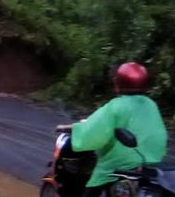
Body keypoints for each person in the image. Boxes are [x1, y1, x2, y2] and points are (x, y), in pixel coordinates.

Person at [60, 62, 167, 197]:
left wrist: (75, 129)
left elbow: (95, 132)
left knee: (93, 188)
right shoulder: (151, 105)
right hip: (150, 163)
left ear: (119, 82)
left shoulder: (116, 106)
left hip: (119, 164)